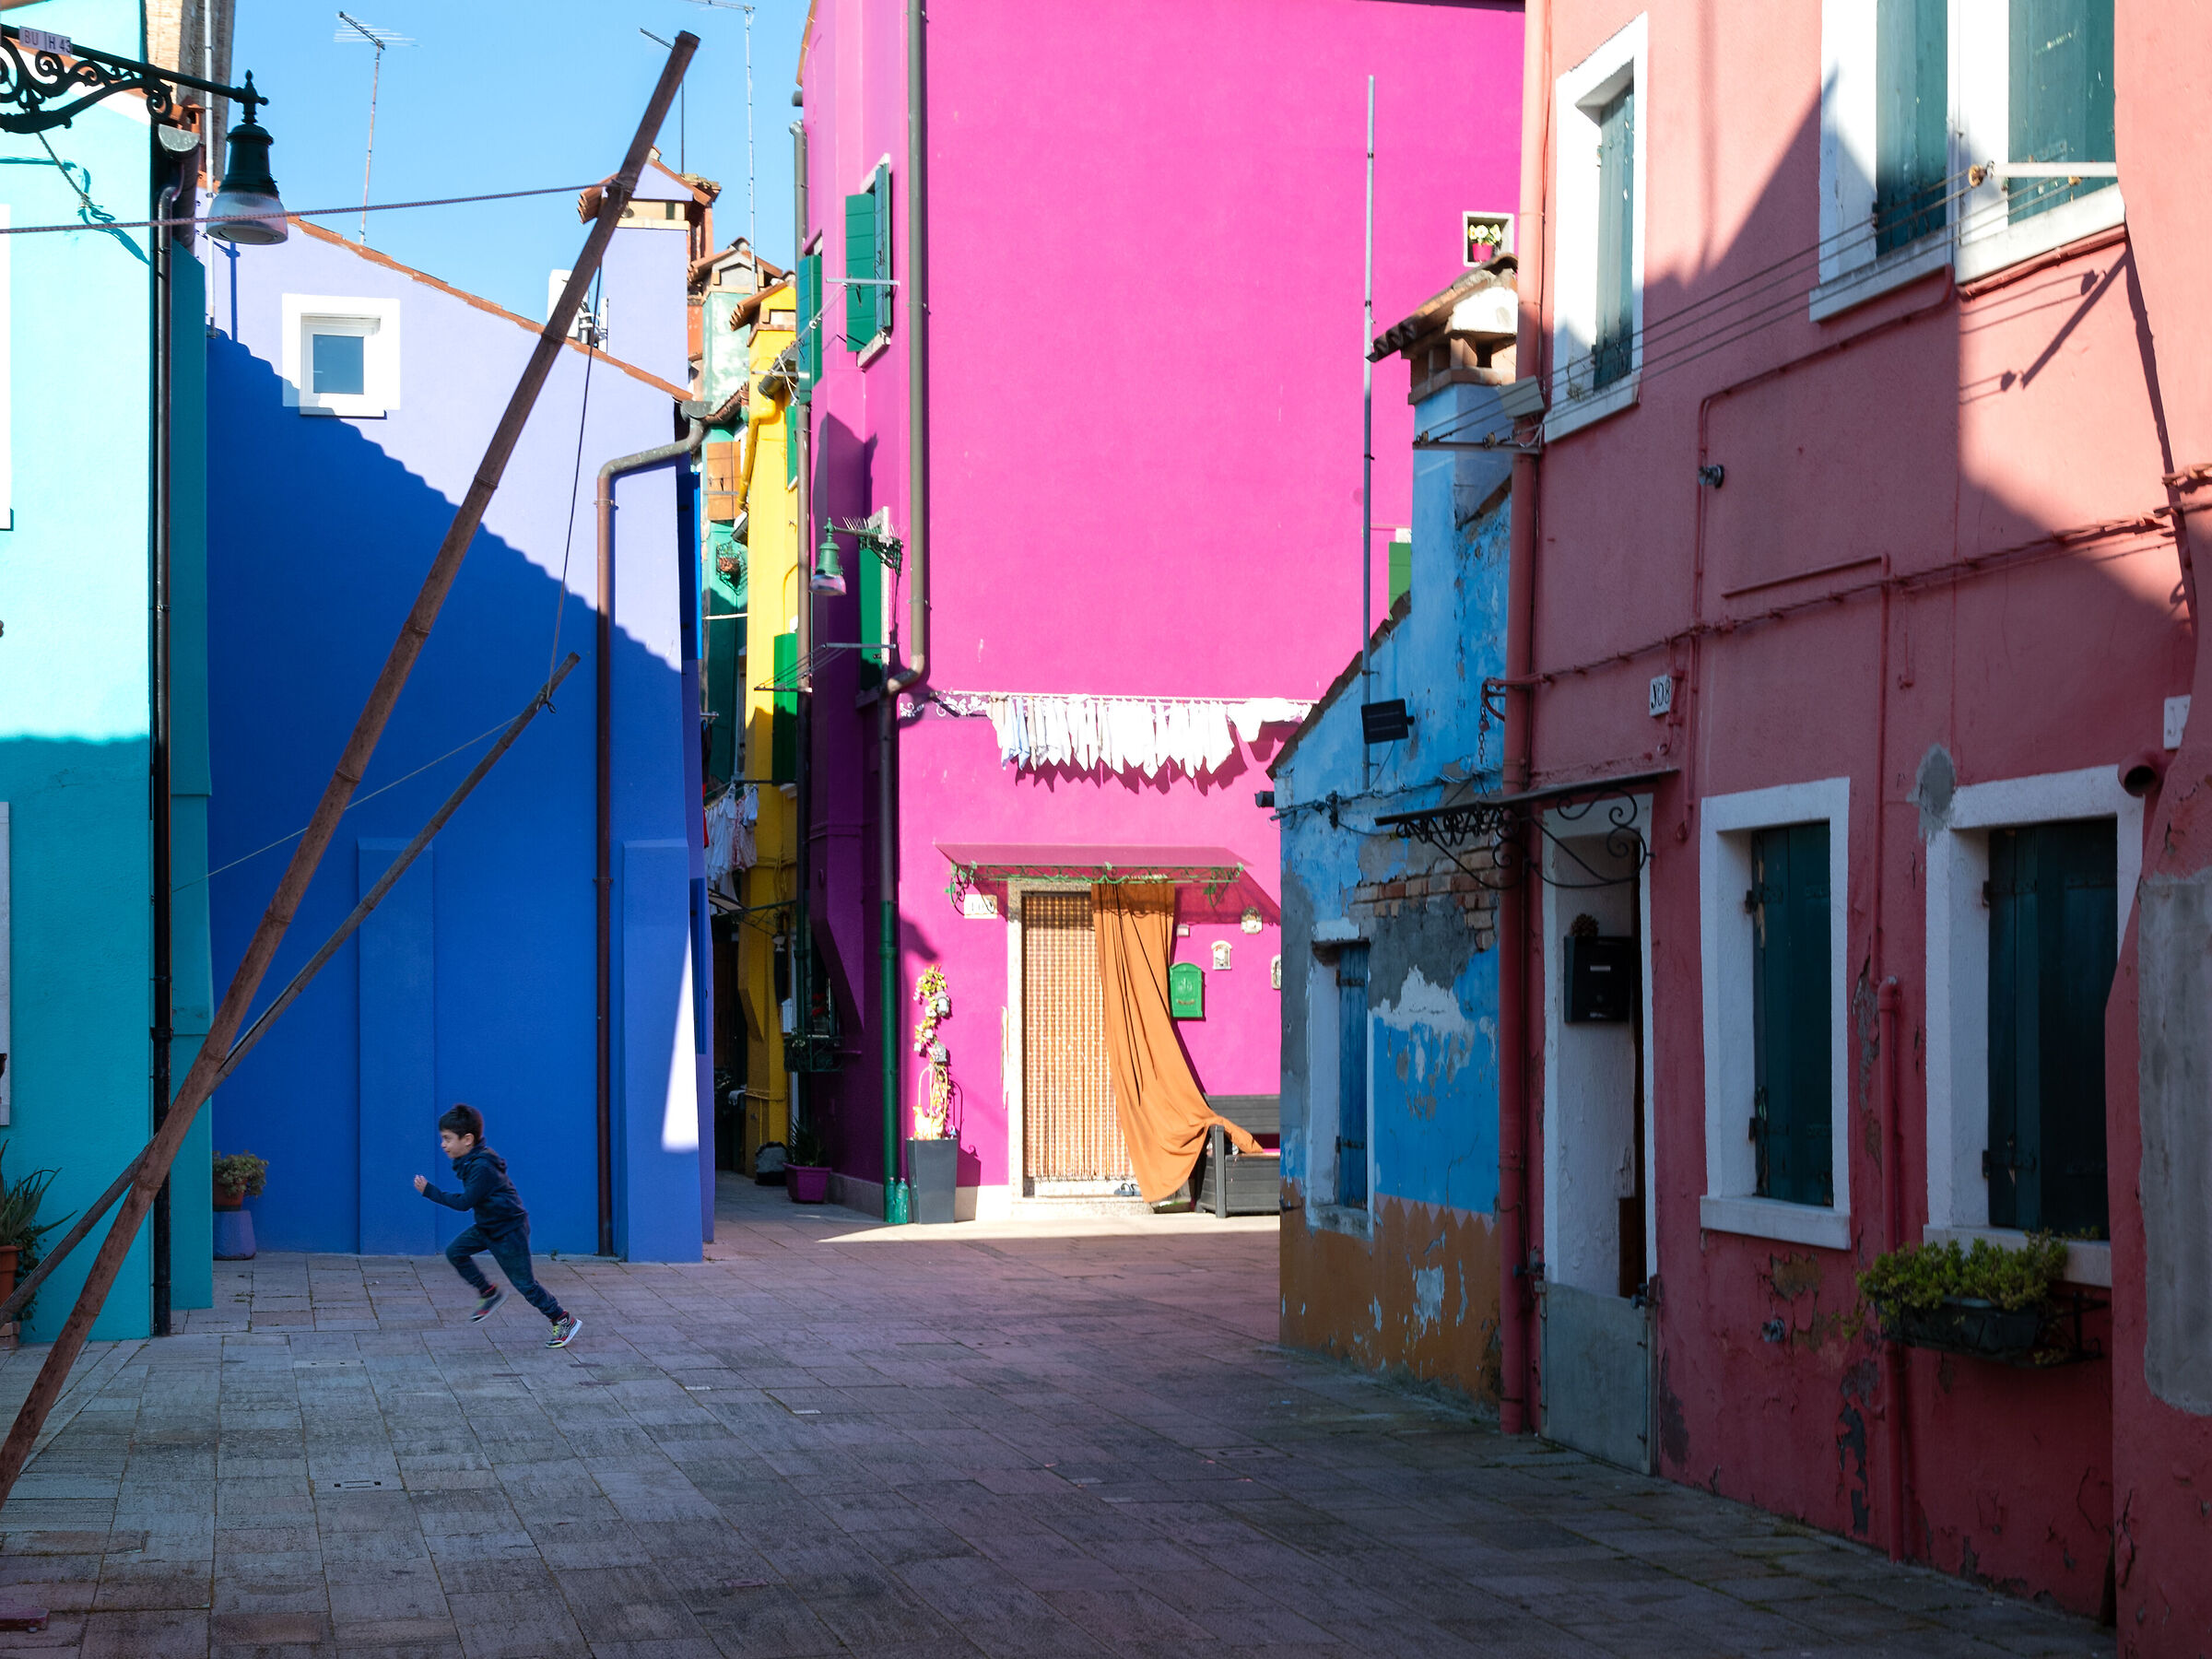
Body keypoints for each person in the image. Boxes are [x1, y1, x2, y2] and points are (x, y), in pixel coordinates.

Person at [414, 1103, 582, 1349]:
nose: (443, 1144)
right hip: (488, 1226)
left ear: (468, 1139)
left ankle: (563, 1319)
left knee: (525, 1285)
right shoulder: (469, 1160)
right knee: (455, 1252)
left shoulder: (481, 1167)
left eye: (447, 1138)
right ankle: (489, 1292)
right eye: (443, 1138)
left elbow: (464, 1203)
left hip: (508, 1231)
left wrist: (431, 1192)